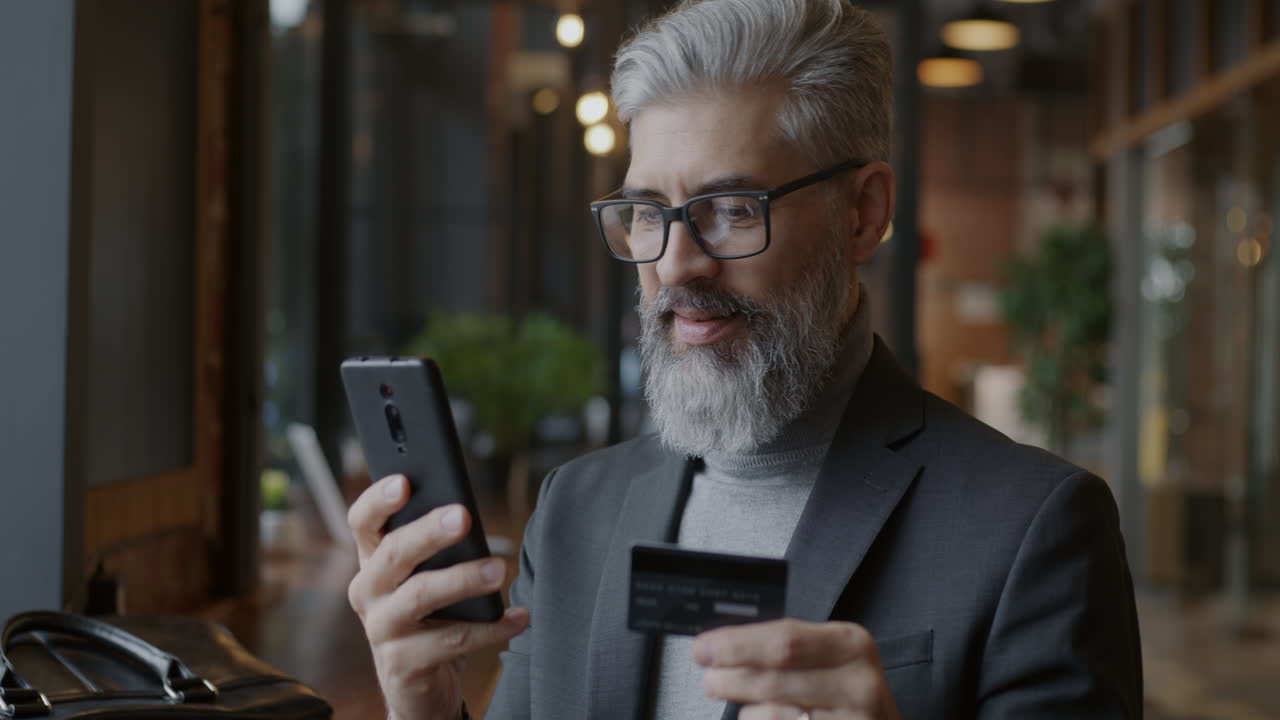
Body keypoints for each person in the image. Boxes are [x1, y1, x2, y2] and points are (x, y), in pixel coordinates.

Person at [345, 0, 1143, 718]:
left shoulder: (1031, 529)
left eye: (730, 208)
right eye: (647, 211)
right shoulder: (574, 511)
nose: (675, 264)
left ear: (863, 214)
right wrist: (426, 709)